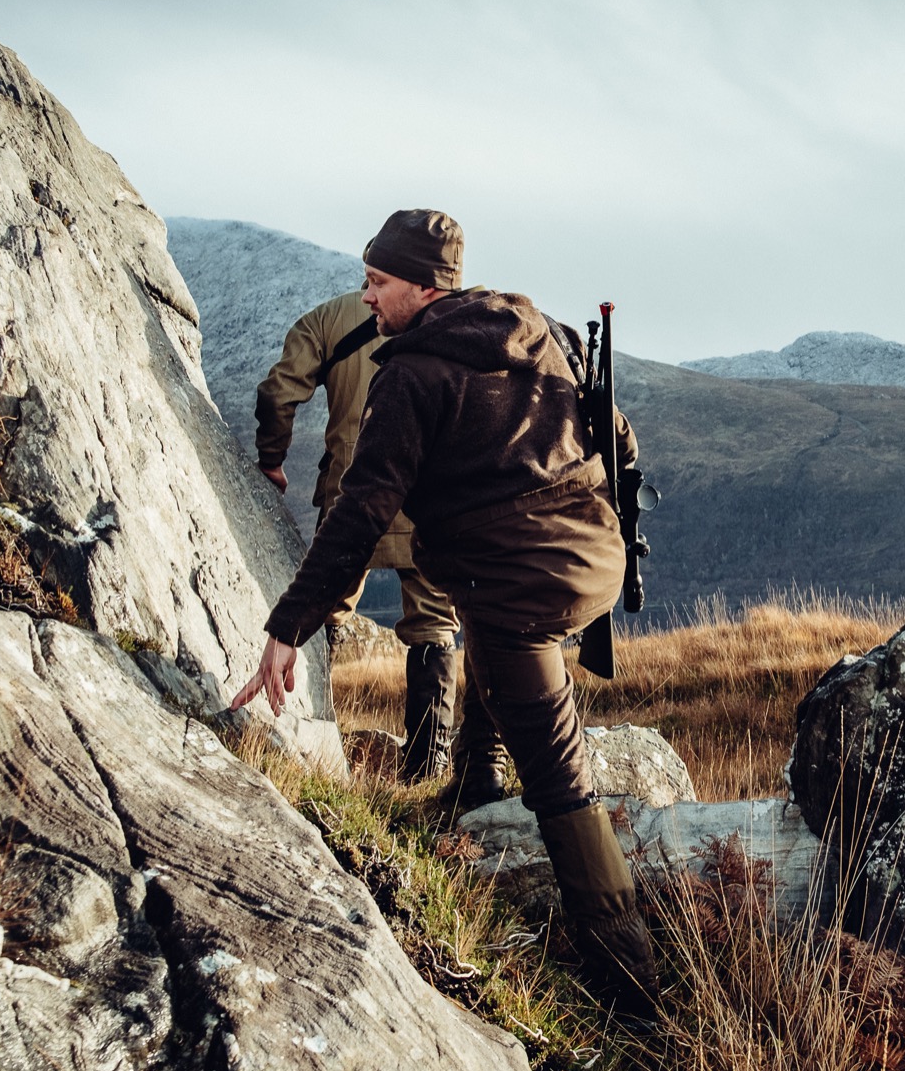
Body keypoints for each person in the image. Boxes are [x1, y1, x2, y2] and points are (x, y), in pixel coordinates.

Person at [231, 208, 657, 1013]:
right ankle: (468, 792)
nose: (367, 299)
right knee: (491, 654)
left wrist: (287, 623)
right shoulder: (534, 329)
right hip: (591, 556)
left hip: (518, 586)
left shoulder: (412, 375)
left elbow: (361, 511)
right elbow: (619, 436)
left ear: (425, 286)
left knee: (561, 777)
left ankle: (628, 980)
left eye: (380, 283)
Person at [253, 290, 463, 782]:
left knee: (324, 608)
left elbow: (279, 391)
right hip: (425, 492)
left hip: (350, 492)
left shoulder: (328, 319)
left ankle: (303, 731)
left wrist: (272, 458)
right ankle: (427, 766)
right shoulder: (451, 317)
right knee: (434, 623)